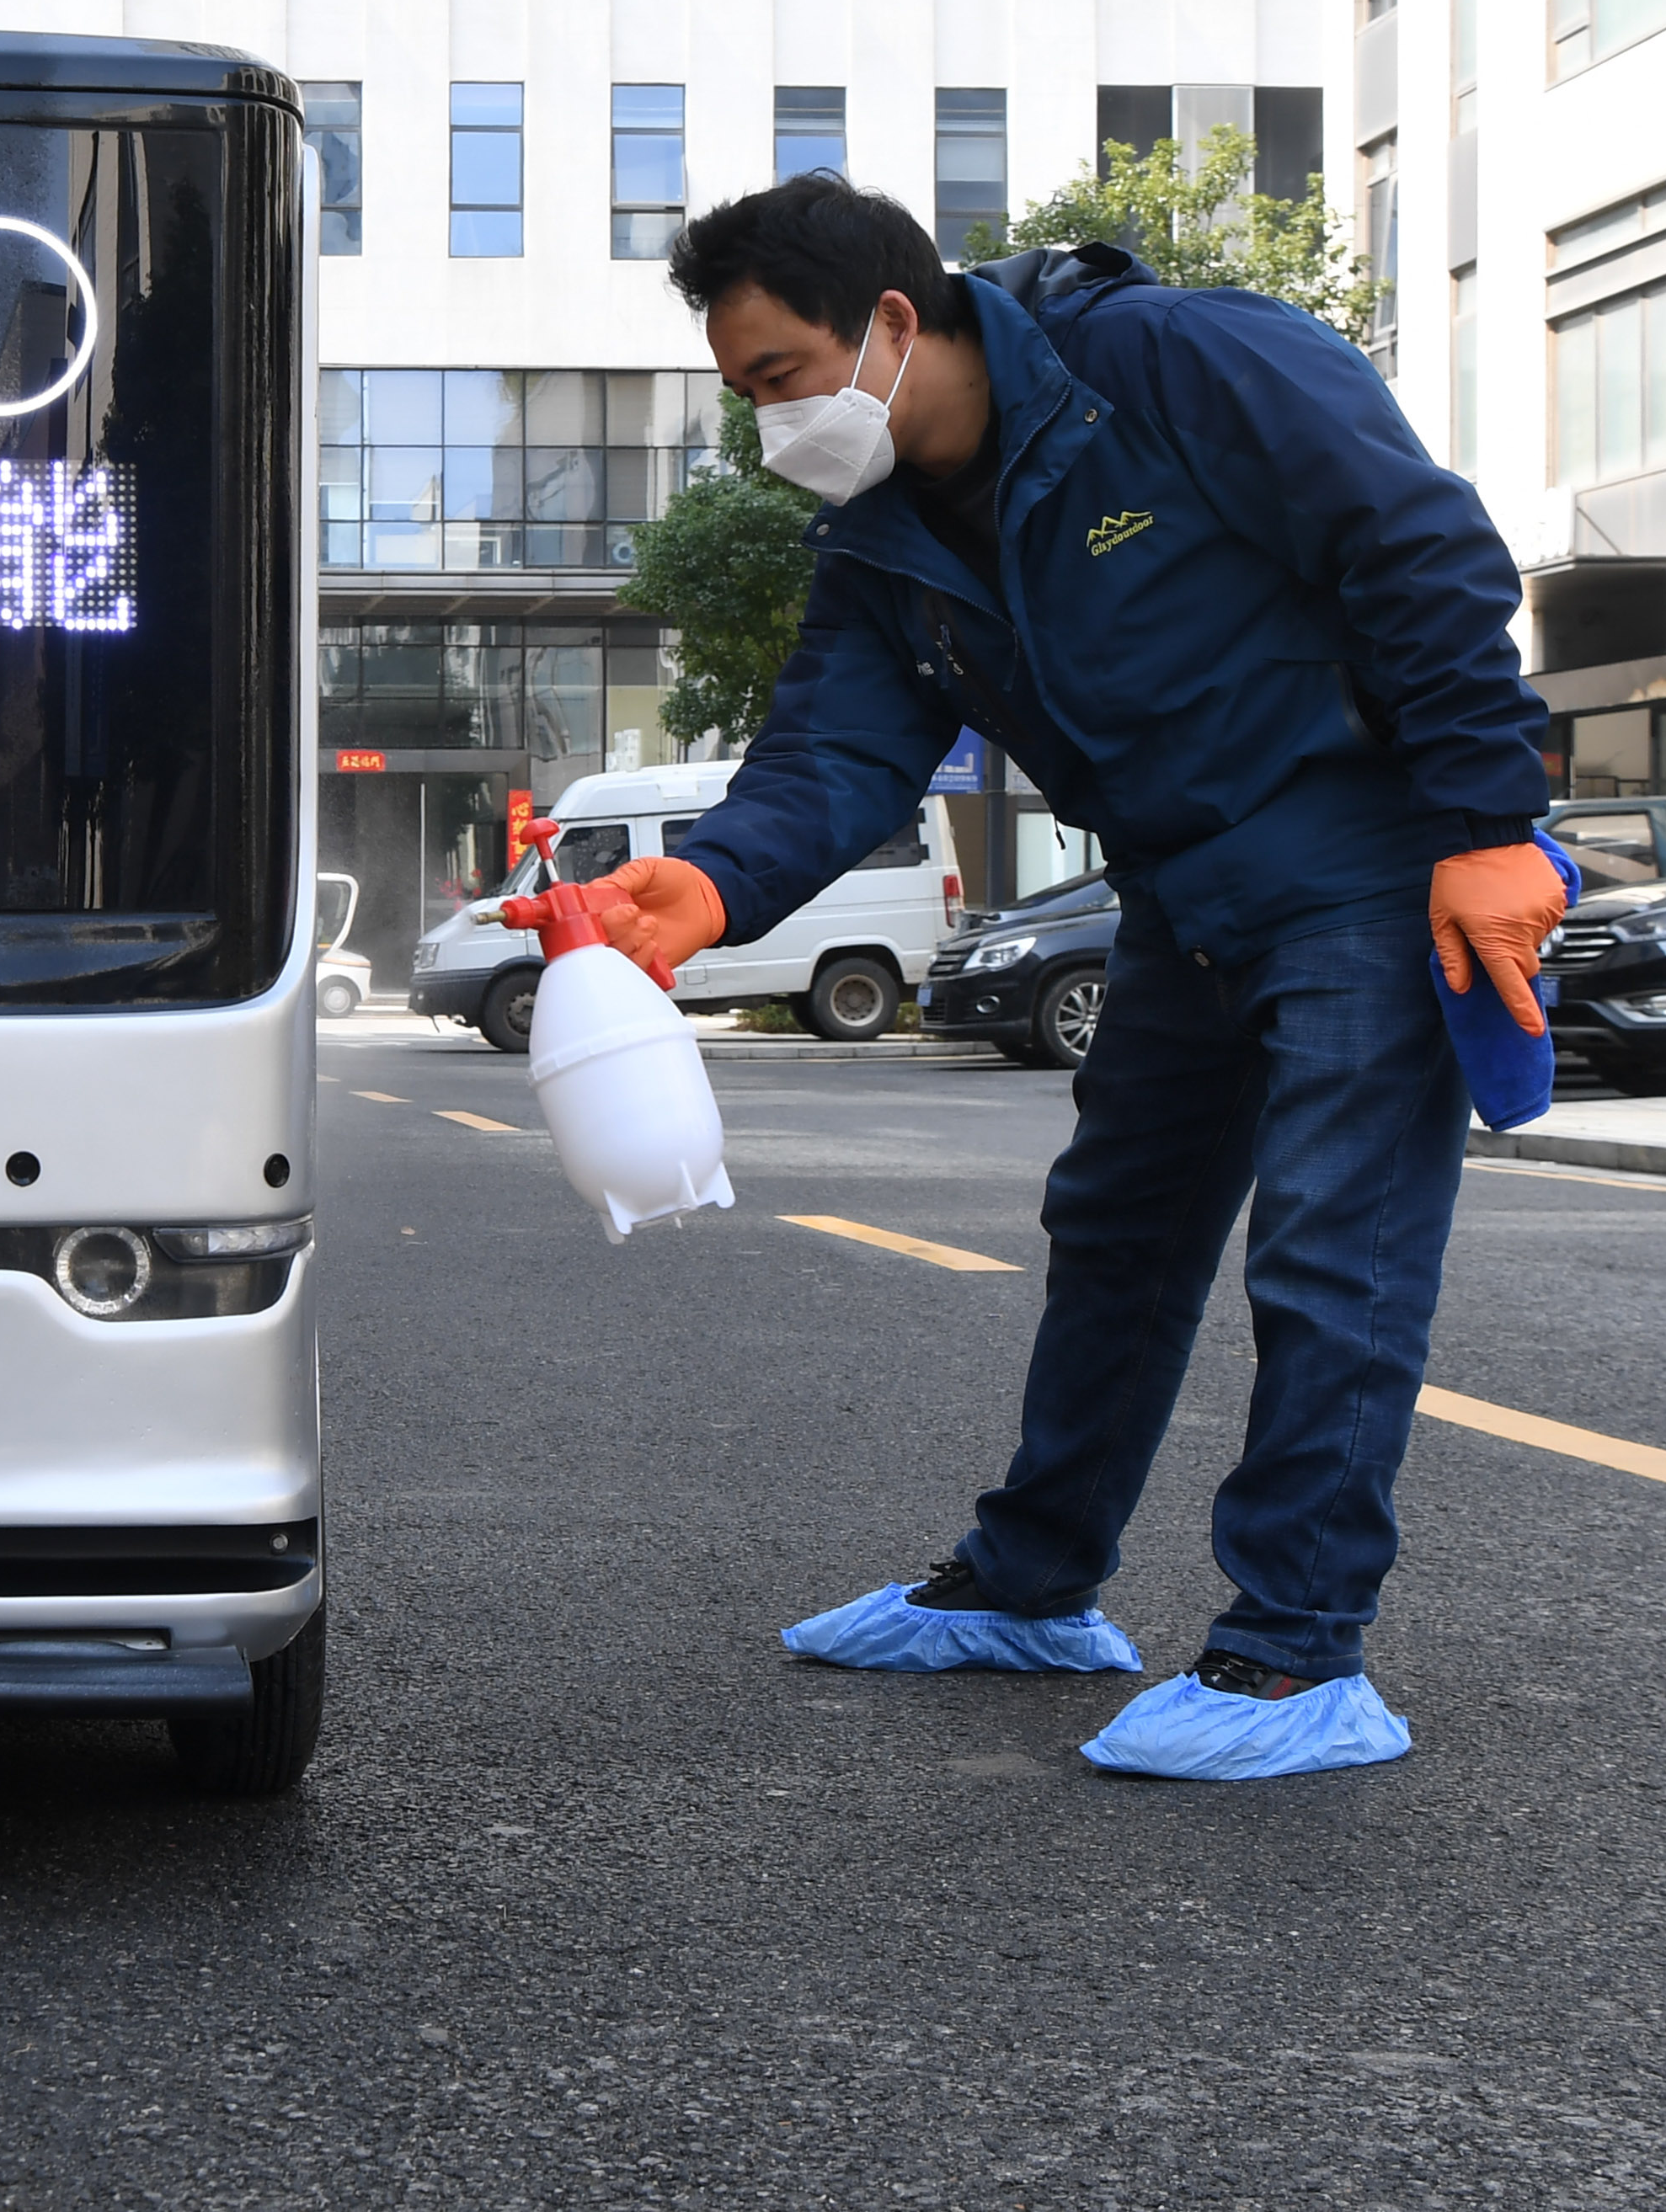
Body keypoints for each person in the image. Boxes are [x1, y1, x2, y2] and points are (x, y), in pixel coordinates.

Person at [550, 179, 1564, 1781]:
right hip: (1178, 892)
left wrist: (1489, 822)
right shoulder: (882, 534)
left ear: (892, 320)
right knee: (1115, 1233)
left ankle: (1294, 1654)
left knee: (1329, 1248)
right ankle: (1032, 1586)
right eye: (743, 392)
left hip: (1360, 871)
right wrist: (715, 882)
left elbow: (1415, 543)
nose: (770, 423)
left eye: (780, 376)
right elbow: (832, 752)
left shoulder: (1174, 361)